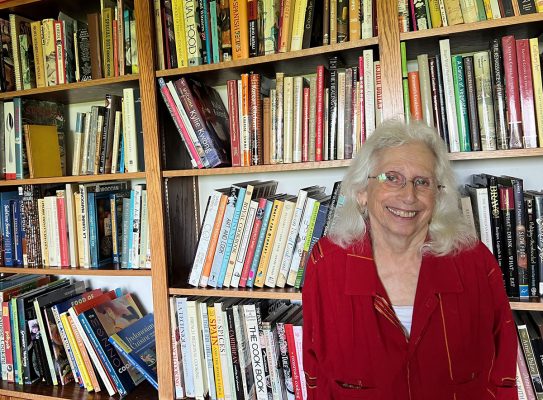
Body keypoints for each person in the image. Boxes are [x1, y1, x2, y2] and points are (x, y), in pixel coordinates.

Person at [302, 120, 517, 399]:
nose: (408, 195)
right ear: (362, 191)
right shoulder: (327, 264)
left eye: (422, 182)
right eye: (391, 178)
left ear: (438, 196)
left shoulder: (475, 262)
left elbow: (502, 370)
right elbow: (316, 374)